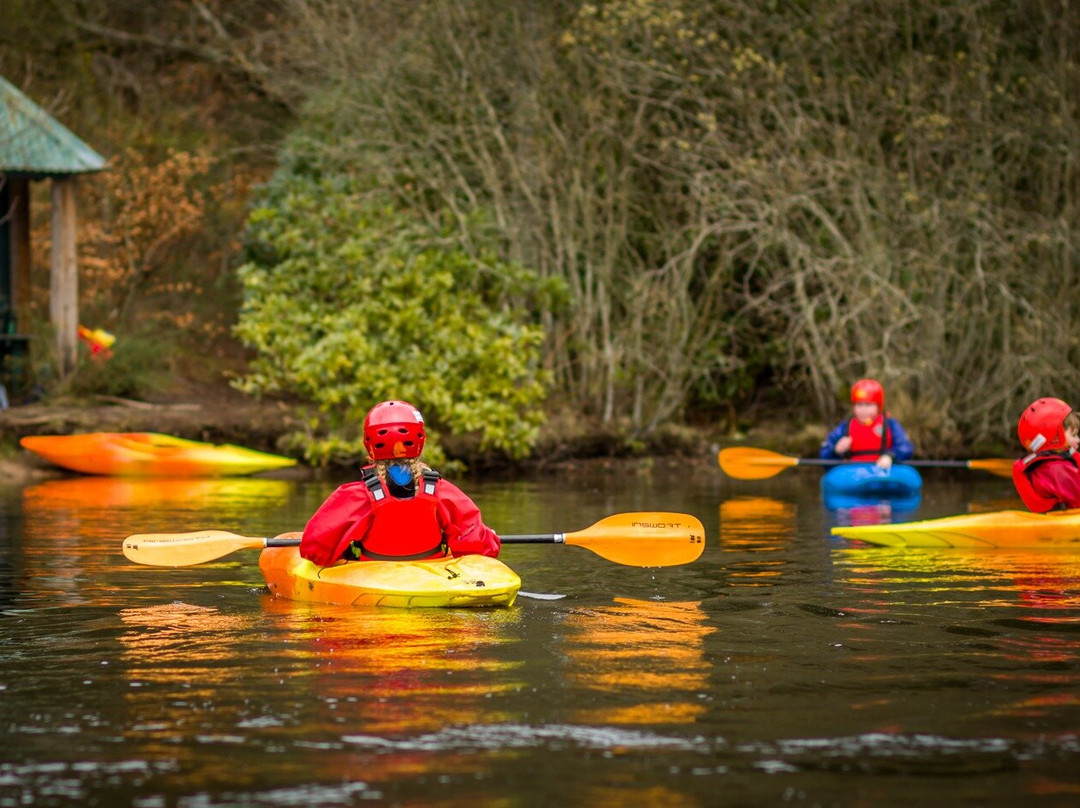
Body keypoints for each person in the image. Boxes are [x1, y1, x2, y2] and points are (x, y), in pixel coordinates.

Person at [300, 400, 501, 567]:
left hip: (373, 577)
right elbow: (480, 547)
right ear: (421, 441)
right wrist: (490, 536)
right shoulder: (441, 490)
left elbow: (314, 548)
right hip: (431, 576)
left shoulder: (356, 494)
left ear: (369, 446)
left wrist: (344, 550)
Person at [819, 379, 914, 470]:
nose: (863, 410)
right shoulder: (845, 427)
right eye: (859, 405)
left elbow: (905, 448)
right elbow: (825, 453)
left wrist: (890, 456)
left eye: (868, 405)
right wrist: (836, 450)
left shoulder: (890, 424)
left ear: (878, 406)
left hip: (883, 472)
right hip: (853, 474)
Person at [1012, 397, 1080, 512]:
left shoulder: (1051, 465)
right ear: (1055, 437)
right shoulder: (1057, 469)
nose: (1078, 440)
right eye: (1073, 435)